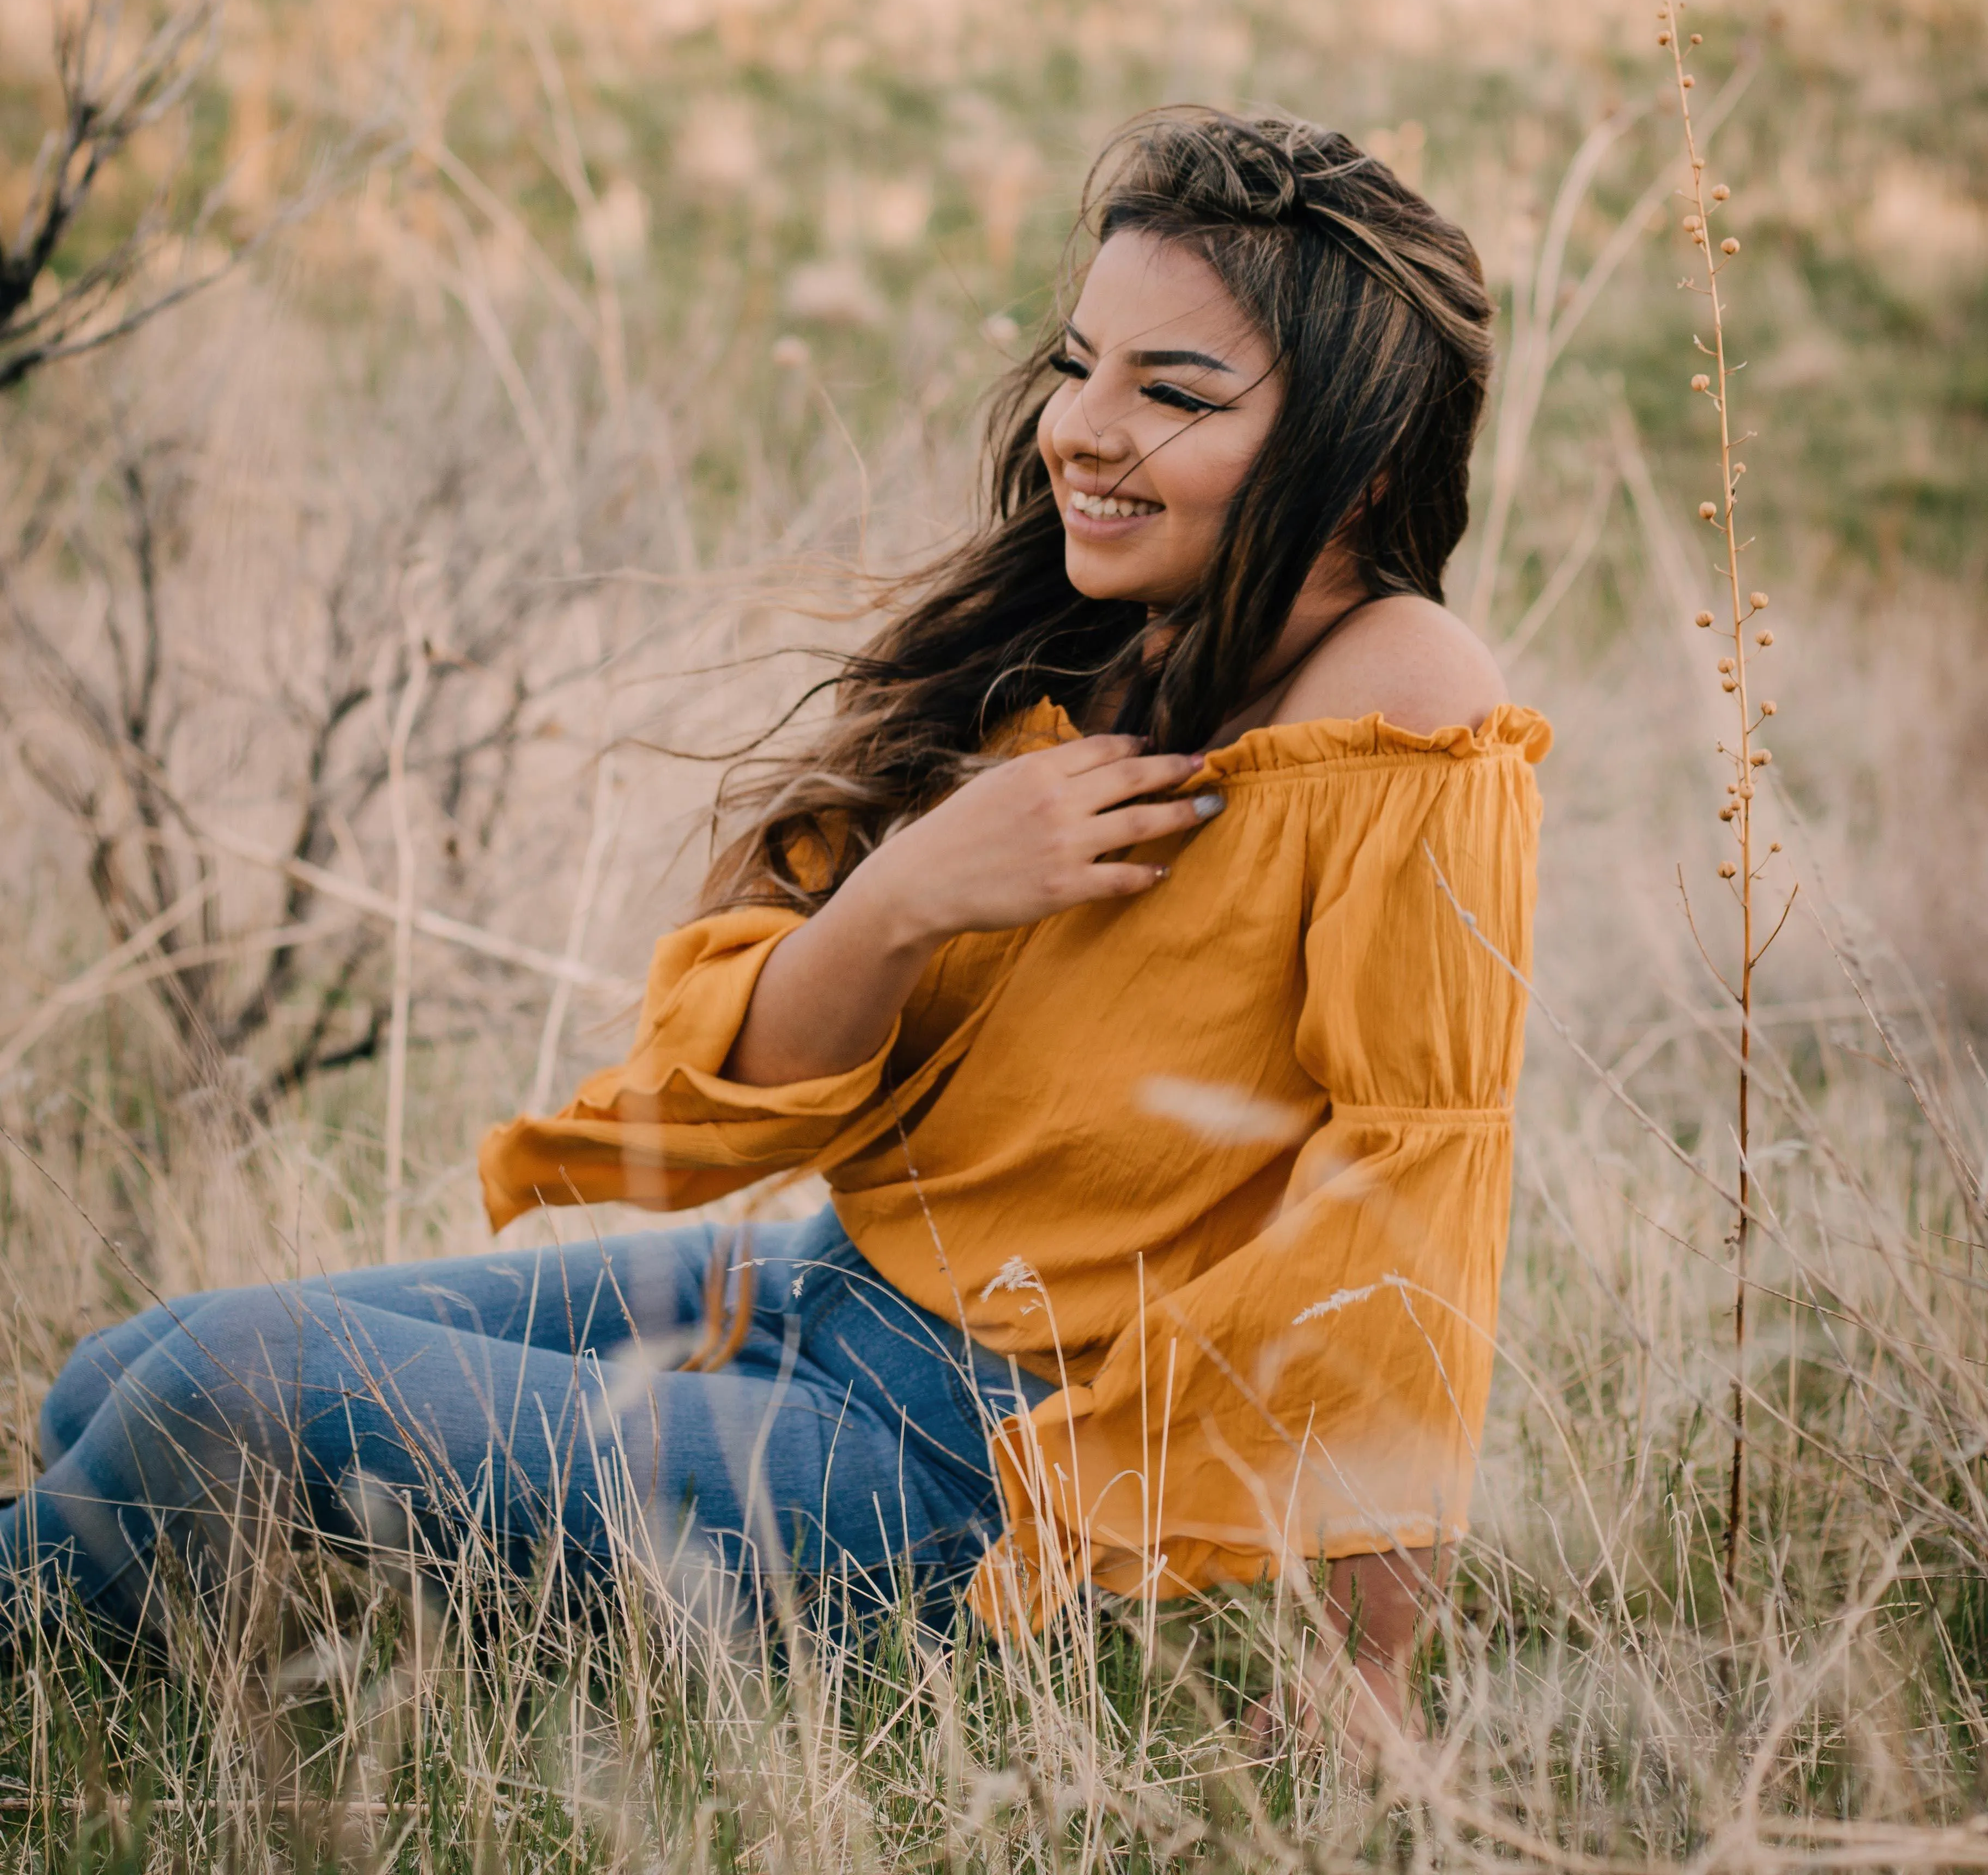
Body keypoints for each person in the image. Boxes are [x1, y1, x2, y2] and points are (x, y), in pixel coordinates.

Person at [1, 108, 1547, 1729]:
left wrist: (1372, 1664)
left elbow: (1416, 1181)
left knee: (220, 1396)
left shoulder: (1409, 709)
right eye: (1081, 366)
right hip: (816, 1291)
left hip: (963, 1469)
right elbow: (760, 1081)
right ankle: (189, 1666)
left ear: (1360, 457)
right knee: (123, 1376)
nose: (1081, 433)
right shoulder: (1104, 638)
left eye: (1173, 395)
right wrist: (910, 891)